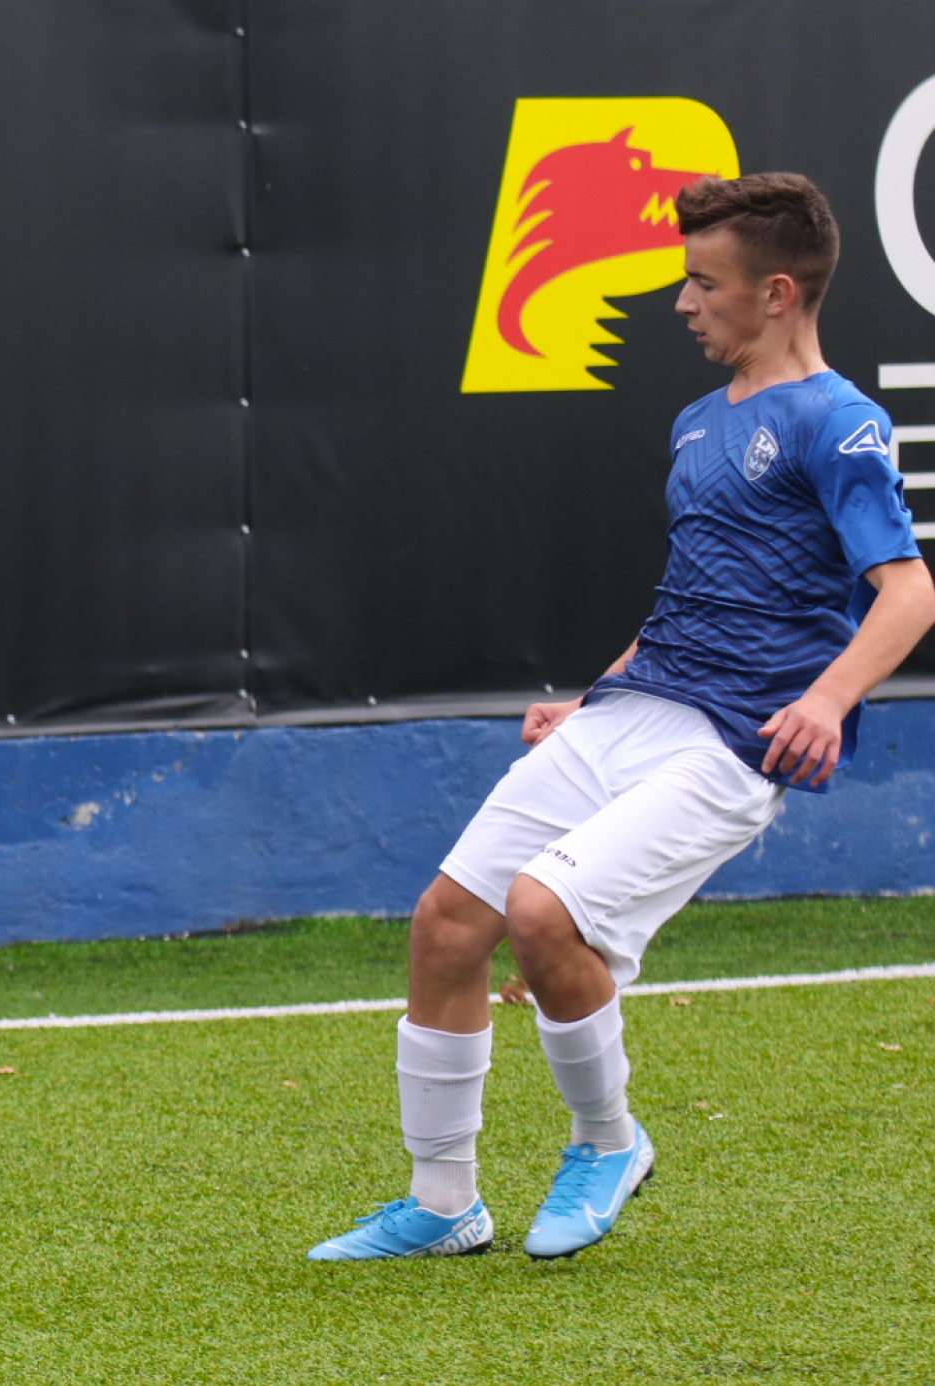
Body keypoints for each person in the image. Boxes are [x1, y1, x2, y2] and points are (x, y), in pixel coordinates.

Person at [308, 173, 935, 1261]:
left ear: (777, 293)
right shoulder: (698, 423)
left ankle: (608, 1139)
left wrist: (831, 698)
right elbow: (694, 595)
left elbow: (910, 591)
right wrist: (593, 695)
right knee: (447, 924)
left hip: (732, 742)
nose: (683, 303)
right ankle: (445, 1203)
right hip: (633, 711)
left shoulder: (840, 422)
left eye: (704, 284)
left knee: (543, 911)